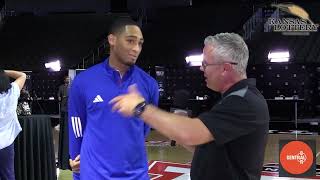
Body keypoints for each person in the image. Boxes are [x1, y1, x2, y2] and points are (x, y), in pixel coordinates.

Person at [110, 33, 270, 180]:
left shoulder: (244, 101)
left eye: (206, 64)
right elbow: (206, 147)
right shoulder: (233, 98)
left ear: (225, 68)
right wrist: (177, 128)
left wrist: (141, 108)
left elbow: (191, 134)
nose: (201, 68)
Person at [68, 17, 159, 179]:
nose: (136, 48)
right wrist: (75, 157)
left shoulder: (149, 84)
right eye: (130, 41)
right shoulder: (84, 81)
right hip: (94, 173)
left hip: (135, 174)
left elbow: (145, 128)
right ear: (112, 40)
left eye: (140, 43)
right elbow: (76, 122)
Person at [0, 70, 26, 180]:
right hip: (6, 144)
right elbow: (22, 75)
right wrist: (4, 71)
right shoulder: (12, 92)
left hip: (6, 144)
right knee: (8, 175)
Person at [57, 75, 70, 170]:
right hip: (63, 107)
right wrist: (60, 97)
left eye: (69, 79)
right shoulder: (61, 87)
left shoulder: (72, 87)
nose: (68, 80)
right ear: (64, 80)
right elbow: (58, 95)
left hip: (70, 107)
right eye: (66, 79)